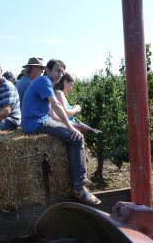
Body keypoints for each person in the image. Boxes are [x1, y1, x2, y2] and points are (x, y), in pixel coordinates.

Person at [21, 59, 101, 205]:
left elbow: (52, 114)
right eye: (58, 70)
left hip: (39, 119)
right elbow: (56, 106)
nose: (60, 74)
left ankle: (80, 181)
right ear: (48, 69)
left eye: (63, 71)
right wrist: (70, 128)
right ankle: (79, 187)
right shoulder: (43, 81)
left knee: (74, 131)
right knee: (76, 138)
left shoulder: (45, 83)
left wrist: (72, 124)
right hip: (35, 123)